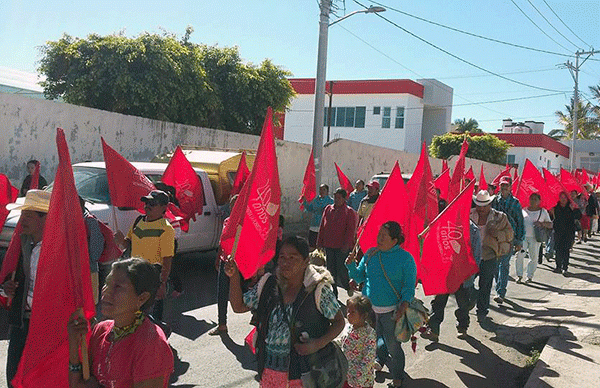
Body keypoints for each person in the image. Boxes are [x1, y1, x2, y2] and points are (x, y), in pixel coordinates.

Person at [225, 236, 345, 387]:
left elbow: (339, 322)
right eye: (282, 257)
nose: (285, 262)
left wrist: (317, 344)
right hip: (269, 372)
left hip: (304, 374)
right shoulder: (268, 285)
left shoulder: (318, 290)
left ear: (306, 261)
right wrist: (234, 276)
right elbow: (238, 306)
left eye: (292, 257)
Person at [67, 258, 174, 387]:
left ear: (142, 298)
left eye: (117, 287)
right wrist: (74, 346)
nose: (106, 291)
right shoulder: (100, 330)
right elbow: (78, 385)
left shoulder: (152, 345)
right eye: (107, 283)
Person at [346, 221, 417, 388]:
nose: (378, 238)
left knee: (393, 346)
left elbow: (408, 287)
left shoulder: (405, 259)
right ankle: (378, 360)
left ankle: (398, 376)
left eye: (383, 236)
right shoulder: (371, 254)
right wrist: (350, 265)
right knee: (373, 341)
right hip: (369, 311)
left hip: (392, 312)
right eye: (379, 235)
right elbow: (359, 277)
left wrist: (403, 306)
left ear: (395, 240)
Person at [2, 190, 50, 387]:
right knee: (14, 377)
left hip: (46, 325)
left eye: (28, 215)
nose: (22, 220)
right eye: (22, 215)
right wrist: (7, 289)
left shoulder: (56, 250)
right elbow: (12, 283)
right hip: (22, 322)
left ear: (45, 218)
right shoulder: (24, 244)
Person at [114, 190, 175, 327]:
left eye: (152, 203)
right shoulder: (138, 221)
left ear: (164, 208)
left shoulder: (166, 229)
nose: (148, 205)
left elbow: (167, 259)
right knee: (135, 312)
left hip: (153, 275)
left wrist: (162, 283)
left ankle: (158, 341)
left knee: (152, 316)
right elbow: (126, 244)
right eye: (146, 202)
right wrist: (120, 240)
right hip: (134, 273)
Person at [421, 215, 482, 342]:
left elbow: (476, 254)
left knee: (463, 304)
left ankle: (463, 327)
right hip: (446, 273)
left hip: (462, 275)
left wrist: (470, 273)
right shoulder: (443, 224)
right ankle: (433, 329)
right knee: (439, 302)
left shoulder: (473, 229)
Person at [470, 190, 514, 323]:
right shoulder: (469, 215)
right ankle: (472, 300)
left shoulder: (500, 217)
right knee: (467, 285)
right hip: (471, 256)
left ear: (490, 204)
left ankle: (482, 310)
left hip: (489, 255)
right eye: (479, 205)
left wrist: (497, 234)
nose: (481, 208)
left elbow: (509, 234)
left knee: (486, 284)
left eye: (484, 205)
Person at [317, 188, 358, 296]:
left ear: (344, 199)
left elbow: (350, 230)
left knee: (342, 269)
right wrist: (319, 242)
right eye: (335, 197)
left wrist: (347, 244)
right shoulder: (328, 209)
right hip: (329, 245)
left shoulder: (349, 212)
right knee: (330, 269)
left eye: (339, 198)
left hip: (341, 247)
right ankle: (333, 292)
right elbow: (322, 226)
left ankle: (347, 286)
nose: (336, 200)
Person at [491, 177, 524, 304]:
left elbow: (520, 222)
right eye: (502, 185)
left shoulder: (515, 203)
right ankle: (498, 285)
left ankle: (501, 292)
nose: (504, 188)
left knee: (504, 265)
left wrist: (519, 241)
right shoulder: (494, 200)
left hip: (509, 238)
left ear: (511, 187)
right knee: (494, 264)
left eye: (506, 185)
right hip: (494, 237)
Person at [209, 194, 238, 336]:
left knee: (247, 295)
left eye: (236, 205)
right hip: (224, 260)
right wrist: (218, 257)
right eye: (232, 205)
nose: (233, 208)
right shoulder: (227, 221)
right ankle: (222, 325)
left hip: (239, 264)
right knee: (222, 293)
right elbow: (222, 241)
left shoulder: (246, 223)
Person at [340, 295, 377, 388]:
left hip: (361, 381)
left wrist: (358, 380)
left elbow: (368, 359)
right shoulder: (348, 327)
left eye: (353, 312)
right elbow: (342, 342)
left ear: (364, 315)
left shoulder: (369, 334)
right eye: (348, 311)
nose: (348, 315)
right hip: (346, 375)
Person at [515, 193, 552, 283]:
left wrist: (542, 224)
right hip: (523, 238)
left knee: (533, 257)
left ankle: (529, 275)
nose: (533, 201)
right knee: (520, 255)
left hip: (535, 238)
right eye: (531, 199)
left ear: (539, 201)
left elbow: (550, 224)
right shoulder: (523, 210)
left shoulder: (543, 212)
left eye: (535, 199)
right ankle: (519, 275)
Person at [79, 196, 105, 304]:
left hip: (89, 270)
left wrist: (89, 260)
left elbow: (95, 251)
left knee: (89, 304)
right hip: (76, 270)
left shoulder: (89, 221)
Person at [552, 191, 582, 275]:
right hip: (558, 231)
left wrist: (574, 210)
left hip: (569, 231)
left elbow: (578, 216)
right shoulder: (556, 207)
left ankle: (565, 267)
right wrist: (551, 212)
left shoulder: (571, 206)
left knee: (566, 250)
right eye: (561, 197)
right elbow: (552, 218)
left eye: (564, 197)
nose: (563, 199)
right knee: (558, 249)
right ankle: (558, 266)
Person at [303, 184, 334, 249]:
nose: (322, 191)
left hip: (324, 226)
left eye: (324, 190)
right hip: (314, 225)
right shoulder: (316, 200)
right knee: (312, 244)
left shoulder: (331, 201)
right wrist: (304, 202)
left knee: (322, 246)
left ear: (327, 191)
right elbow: (310, 209)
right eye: (320, 189)